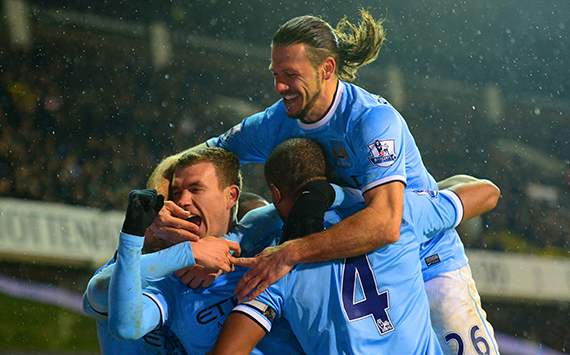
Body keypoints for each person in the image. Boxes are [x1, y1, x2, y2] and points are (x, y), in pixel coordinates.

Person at [148, 11, 500, 354]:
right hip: (345, 255)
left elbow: (387, 224)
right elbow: (186, 163)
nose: (279, 86)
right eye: (275, 74)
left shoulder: (371, 120)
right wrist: (160, 214)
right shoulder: (275, 122)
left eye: (290, 74)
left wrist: (290, 253)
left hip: (424, 259)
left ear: (327, 68)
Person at [211, 138, 500, 354]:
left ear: (275, 193)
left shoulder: (275, 264)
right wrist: (426, 195)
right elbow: (488, 193)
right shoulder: (397, 213)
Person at [86, 146, 306, 354]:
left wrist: (224, 248)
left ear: (231, 196)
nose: (182, 201)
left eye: (195, 189)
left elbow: (311, 189)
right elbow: (100, 299)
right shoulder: (168, 282)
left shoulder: (259, 233)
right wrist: (182, 252)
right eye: (175, 193)